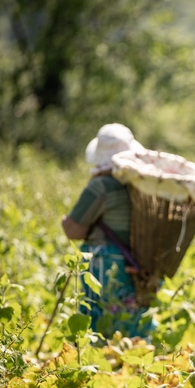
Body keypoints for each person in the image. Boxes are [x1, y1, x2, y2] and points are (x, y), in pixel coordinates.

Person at [61, 123, 153, 338]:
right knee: (129, 316)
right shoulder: (139, 185)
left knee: (101, 321)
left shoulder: (101, 185)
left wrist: (64, 220)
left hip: (105, 261)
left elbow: (73, 230)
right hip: (135, 262)